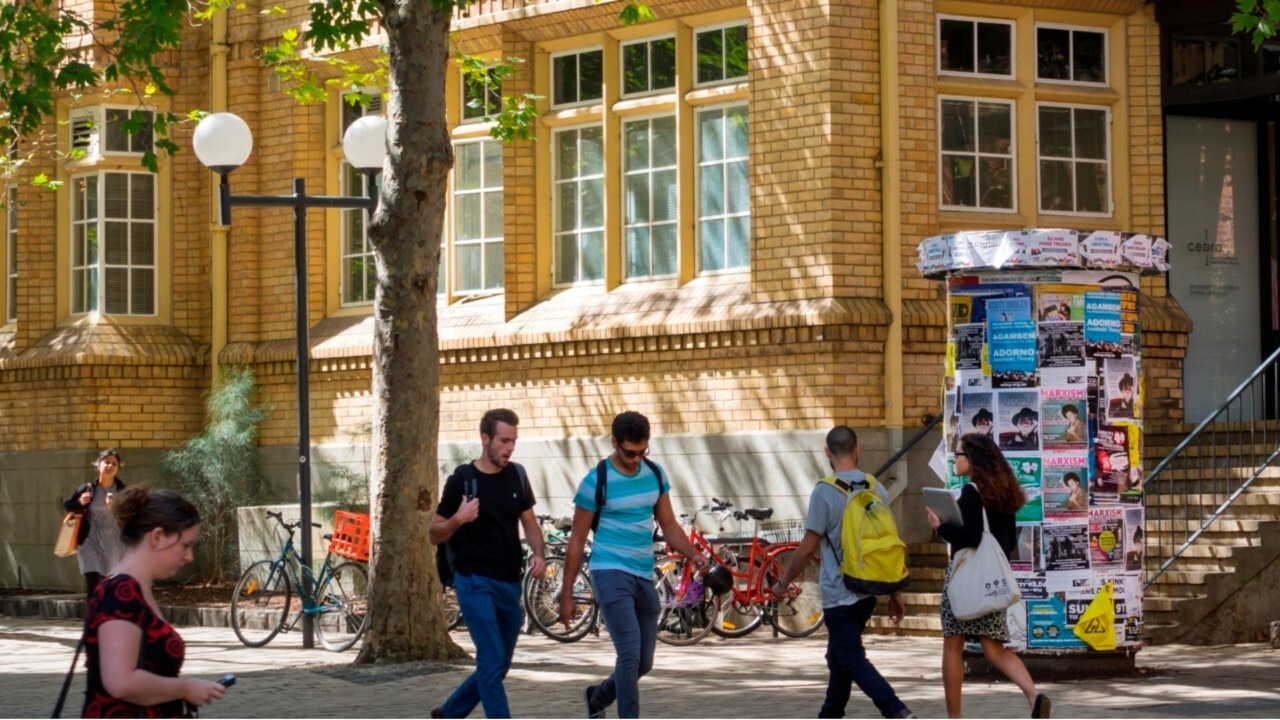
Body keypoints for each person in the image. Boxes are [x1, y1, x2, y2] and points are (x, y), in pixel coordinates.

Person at [559, 411, 708, 719]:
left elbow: (668, 525)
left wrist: (694, 554)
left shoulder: (654, 474)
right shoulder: (595, 481)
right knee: (628, 654)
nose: (636, 459)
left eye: (642, 452)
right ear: (614, 442)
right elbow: (576, 540)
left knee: (644, 662)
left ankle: (597, 699)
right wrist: (567, 592)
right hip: (608, 570)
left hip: (643, 573)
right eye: (629, 452)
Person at [770, 426, 915, 719]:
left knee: (850, 657)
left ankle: (896, 710)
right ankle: (830, 714)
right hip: (868, 591)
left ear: (827, 453)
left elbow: (808, 547)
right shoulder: (876, 487)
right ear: (857, 448)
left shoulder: (825, 491)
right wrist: (894, 592)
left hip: (839, 595)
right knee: (838, 659)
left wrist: (784, 581)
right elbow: (887, 546)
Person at [430, 408, 545, 719]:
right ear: (485, 439)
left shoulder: (518, 476)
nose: (510, 448)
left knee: (499, 665)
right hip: (474, 581)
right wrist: (458, 518)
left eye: (514, 442)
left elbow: (531, 525)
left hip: (509, 583)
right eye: (504, 440)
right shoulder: (462, 481)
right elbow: (433, 533)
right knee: (491, 660)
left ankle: (450, 712)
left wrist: (539, 553)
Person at [927, 433, 1049, 719]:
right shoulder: (1004, 494)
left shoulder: (971, 492)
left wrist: (940, 526)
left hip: (964, 580)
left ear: (972, 459)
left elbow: (969, 537)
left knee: (953, 645)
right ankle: (1034, 695)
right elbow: (1006, 544)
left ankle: (955, 717)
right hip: (993, 583)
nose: (955, 459)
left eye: (958, 454)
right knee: (994, 648)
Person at [82, 486, 226, 717]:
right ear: (157, 537)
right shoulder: (121, 592)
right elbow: (121, 682)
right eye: (185, 545)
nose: (189, 557)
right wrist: (185, 688)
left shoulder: (132, 589)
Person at [63, 449, 128, 598]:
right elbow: (68, 505)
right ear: (98, 465)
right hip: (89, 539)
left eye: (114, 464)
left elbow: (133, 513)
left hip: (113, 541)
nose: (110, 466)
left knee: (108, 583)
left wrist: (116, 507)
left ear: (117, 468)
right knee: (92, 578)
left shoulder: (122, 491)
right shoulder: (87, 489)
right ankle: (93, 618)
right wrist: (79, 502)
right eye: (106, 462)